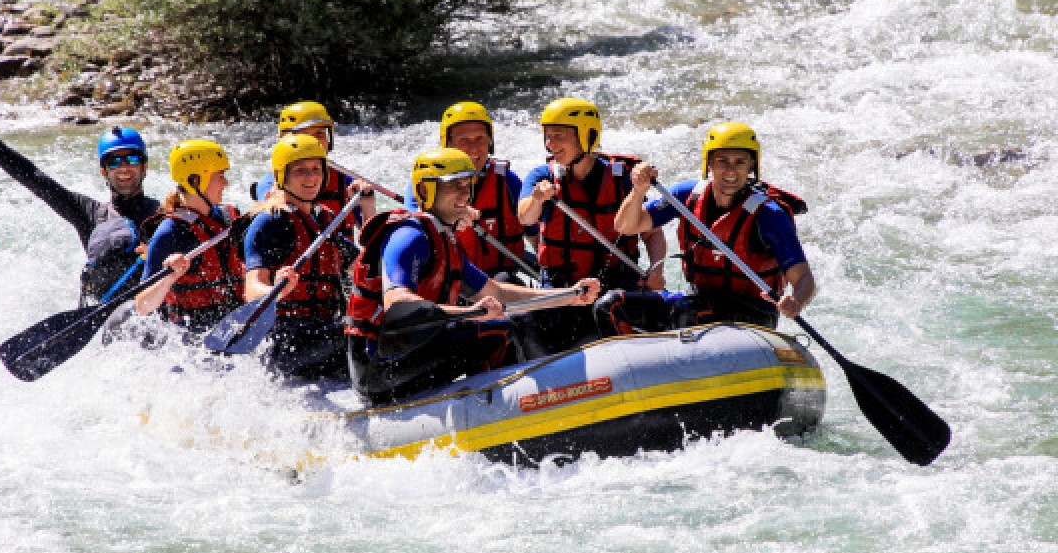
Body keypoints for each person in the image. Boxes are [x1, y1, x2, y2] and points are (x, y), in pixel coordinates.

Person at [345, 148, 601, 404]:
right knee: (496, 331)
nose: (464, 193)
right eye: (453, 185)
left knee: (513, 320)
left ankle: (526, 397)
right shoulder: (408, 236)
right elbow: (397, 303)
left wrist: (570, 296)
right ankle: (509, 405)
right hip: (377, 366)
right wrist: (470, 313)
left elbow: (498, 293)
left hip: (412, 350)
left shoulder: (444, 239)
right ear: (424, 190)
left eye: (467, 185)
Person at [0, 101, 161, 305]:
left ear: (144, 167)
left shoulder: (164, 215)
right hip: (104, 318)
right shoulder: (90, 213)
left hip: (152, 317)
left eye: (132, 160)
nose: (124, 167)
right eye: (114, 162)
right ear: (104, 172)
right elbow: (35, 178)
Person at [612, 121, 815, 330]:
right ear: (709, 163)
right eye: (722, 161)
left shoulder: (769, 215)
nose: (730, 170)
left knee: (687, 311)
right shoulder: (687, 195)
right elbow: (626, 226)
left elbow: (804, 278)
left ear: (751, 166)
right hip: (698, 302)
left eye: (739, 162)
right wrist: (638, 190)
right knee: (613, 305)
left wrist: (796, 301)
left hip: (754, 314)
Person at [516, 98, 665, 350]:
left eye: (558, 136)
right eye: (547, 136)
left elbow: (652, 234)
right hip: (562, 287)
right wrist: (537, 199)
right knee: (526, 321)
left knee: (611, 306)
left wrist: (656, 271)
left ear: (586, 136)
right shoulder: (542, 176)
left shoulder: (621, 178)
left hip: (616, 283)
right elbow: (525, 217)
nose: (550, 144)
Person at [242, 134, 362, 378]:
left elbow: (362, 268)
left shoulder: (325, 219)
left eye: (316, 169)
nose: (311, 177)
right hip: (286, 343)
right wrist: (277, 288)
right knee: (355, 332)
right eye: (300, 171)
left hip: (327, 331)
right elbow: (251, 291)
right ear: (281, 176)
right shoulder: (270, 222)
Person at [403, 101, 536, 283]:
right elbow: (414, 230)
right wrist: (448, 217)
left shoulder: (507, 181)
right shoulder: (426, 182)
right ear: (447, 144)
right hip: (450, 281)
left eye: (480, 139)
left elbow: (534, 235)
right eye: (464, 140)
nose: (473, 149)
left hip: (499, 279)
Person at [134, 139, 247, 335]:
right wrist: (169, 278)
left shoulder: (230, 218)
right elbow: (142, 306)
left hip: (236, 326)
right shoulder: (171, 232)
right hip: (193, 340)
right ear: (195, 181)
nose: (226, 183)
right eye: (220, 176)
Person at [250, 101, 376, 231]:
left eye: (319, 134)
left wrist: (368, 206)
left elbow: (372, 238)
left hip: (336, 244)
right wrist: (277, 196)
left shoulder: (346, 182)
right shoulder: (270, 182)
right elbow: (269, 209)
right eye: (305, 135)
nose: (314, 141)